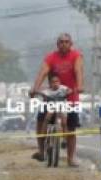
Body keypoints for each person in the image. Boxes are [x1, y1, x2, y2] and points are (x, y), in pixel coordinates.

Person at [30, 33, 84, 166]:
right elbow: (42, 73)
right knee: (40, 119)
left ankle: (71, 158)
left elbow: (78, 71)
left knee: (71, 126)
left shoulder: (76, 56)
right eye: (61, 42)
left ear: (71, 44)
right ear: (57, 44)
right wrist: (34, 89)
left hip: (70, 96)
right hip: (51, 97)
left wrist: (80, 86)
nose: (64, 44)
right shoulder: (51, 57)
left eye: (66, 42)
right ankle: (41, 151)